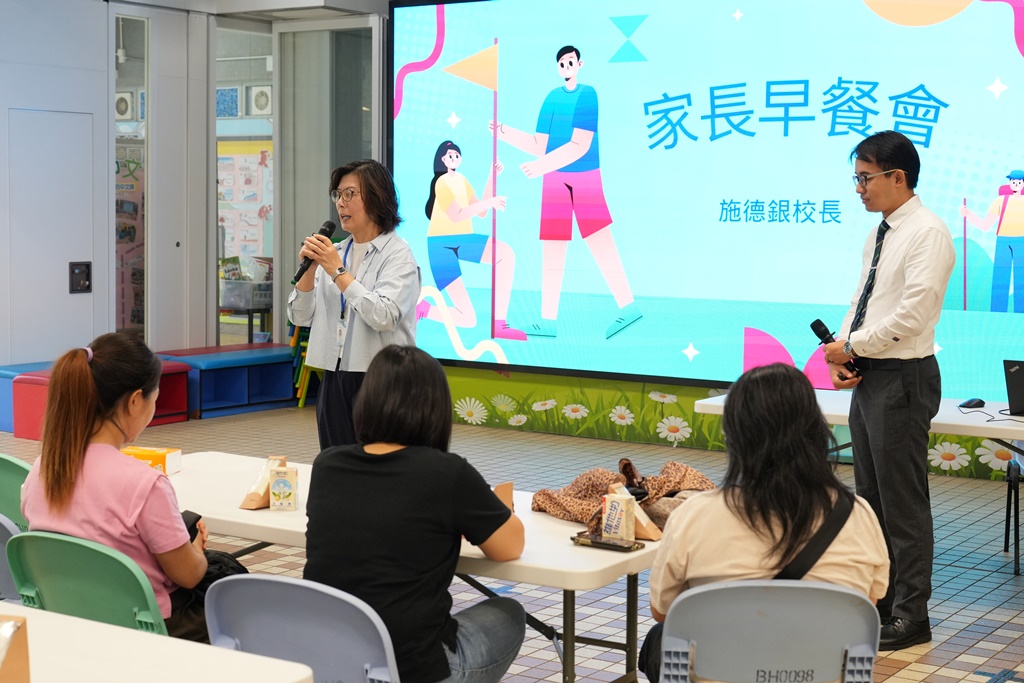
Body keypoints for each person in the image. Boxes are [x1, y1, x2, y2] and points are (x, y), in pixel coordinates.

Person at [639, 363, 889, 681]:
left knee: (658, 638)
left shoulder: (693, 515)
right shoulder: (858, 514)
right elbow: (866, 606)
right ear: (816, 432)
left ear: (735, 437)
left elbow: (663, 611)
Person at [304, 344, 526, 683]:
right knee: (509, 612)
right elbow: (509, 547)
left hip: (333, 662)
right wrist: (499, 509)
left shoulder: (327, 464)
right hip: (414, 670)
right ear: (435, 408)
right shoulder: (448, 473)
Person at [823, 130, 955, 650]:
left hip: (904, 376)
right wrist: (843, 352)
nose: (858, 188)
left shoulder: (928, 233)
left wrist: (854, 344)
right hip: (873, 374)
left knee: (902, 503)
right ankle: (881, 602)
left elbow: (912, 315)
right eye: (856, 178)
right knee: (872, 499)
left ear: (897, 177)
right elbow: (864, 300)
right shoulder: (881, 231)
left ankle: (911, 616)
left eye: (865, 178)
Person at [20, 333, 211, 641]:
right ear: (134, 401)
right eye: (154, 400)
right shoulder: (145, 484)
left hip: (69, 619)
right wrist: (197, 548)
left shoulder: (42, 469)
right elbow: (188, 576)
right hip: (148, 629)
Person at [492, 45, 642, 340]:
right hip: (554, 180)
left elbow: (580, 145)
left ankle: (628, 307)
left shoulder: (588, 95)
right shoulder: (551, 98)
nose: (566, 66)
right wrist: (503, 132)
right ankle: (548, 321)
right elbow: (539, 144)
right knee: (553, 246)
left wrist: (541, 166)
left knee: (599, 238)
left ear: (579, 63)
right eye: (561, 63)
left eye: (570, 61)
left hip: (584, 176)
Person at [288, 159, 421, 450]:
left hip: (384, 380)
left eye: (350, 194)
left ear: (377, 197)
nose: (340, 203)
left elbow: (384, 316)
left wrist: (337, 272)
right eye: (337, 194)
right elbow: (300, 317)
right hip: (335, 376)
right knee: (337, 460)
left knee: (380, 465)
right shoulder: (335, 253)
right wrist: (309, 271)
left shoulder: (398, 255)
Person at [418, 140, 526, 340]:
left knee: (505, 254)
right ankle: (425, 310)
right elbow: (457, 215)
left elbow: (481, 211)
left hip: (462, 239)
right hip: (440, 246)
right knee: (468, 319)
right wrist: (491, 202)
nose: (454, 158)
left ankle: (500, 324)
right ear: (442, 159)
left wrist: (492, 175)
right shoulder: (441, 183)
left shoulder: (462, 180)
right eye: (450, 155)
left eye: (457, 155)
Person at [960, 169, 1024, 312]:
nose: (1016, 184)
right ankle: (997, 313)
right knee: (1000, 279)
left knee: (1022, 279)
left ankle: (1021, 314)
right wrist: (968, 214)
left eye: (1019, 182)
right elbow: (985, 225)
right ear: (1010, 182)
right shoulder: (1000, 201)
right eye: (1013, 181)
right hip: (1003, 241)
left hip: (1022, 242)